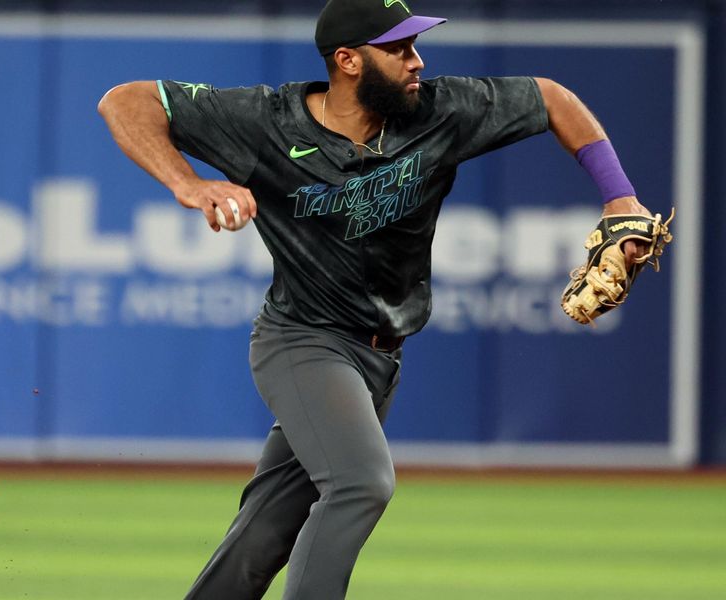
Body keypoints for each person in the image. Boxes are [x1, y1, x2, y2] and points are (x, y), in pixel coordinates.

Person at [98, 1, 653, 598]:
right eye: (399, 49)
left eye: (415, 45)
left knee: (265, 537)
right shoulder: (265, 122)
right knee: (361, 484)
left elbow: (550, 98)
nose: (418, 61)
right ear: (348, 61)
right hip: (304, 340)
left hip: (381, 357)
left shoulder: (442, 112)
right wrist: (189, 182)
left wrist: (620, 198)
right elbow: (125, 100)